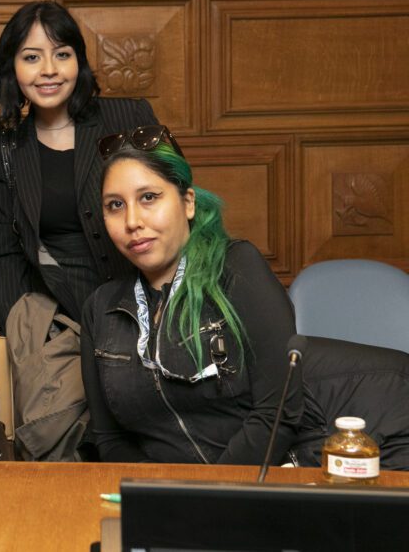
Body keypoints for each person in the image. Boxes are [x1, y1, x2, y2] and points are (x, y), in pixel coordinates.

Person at [81, 128, 409, 467]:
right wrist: (155, 496)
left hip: (347, 449)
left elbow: (276, 414)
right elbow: (111, 439)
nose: (132, 221)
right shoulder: (100, 310)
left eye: (149, 197)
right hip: (192, 495)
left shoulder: (237, 267)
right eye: (115, 205)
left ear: (188, 203)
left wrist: (211, 498)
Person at [0, 1, 159, 327]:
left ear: (78, 60)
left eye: (62, 54)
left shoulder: (130, 117)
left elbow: (177, 204)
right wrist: (33, 331)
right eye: (31, 57)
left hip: (149, 305)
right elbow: (3, 256)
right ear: (13, 68)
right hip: (65, 321)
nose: (49, 69)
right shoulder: (2, 151)